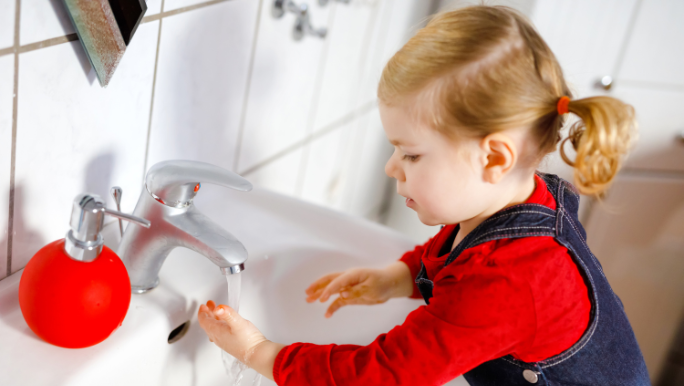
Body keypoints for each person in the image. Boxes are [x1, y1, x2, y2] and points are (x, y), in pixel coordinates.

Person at [198, 5, 650, 385]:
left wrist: (260, 352)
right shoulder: (521, 197)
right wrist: (402, 276)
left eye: (411, 155)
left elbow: (385, 374)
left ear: (493, 159)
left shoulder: (509, 283)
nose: (391, 167)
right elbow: (465, 246)